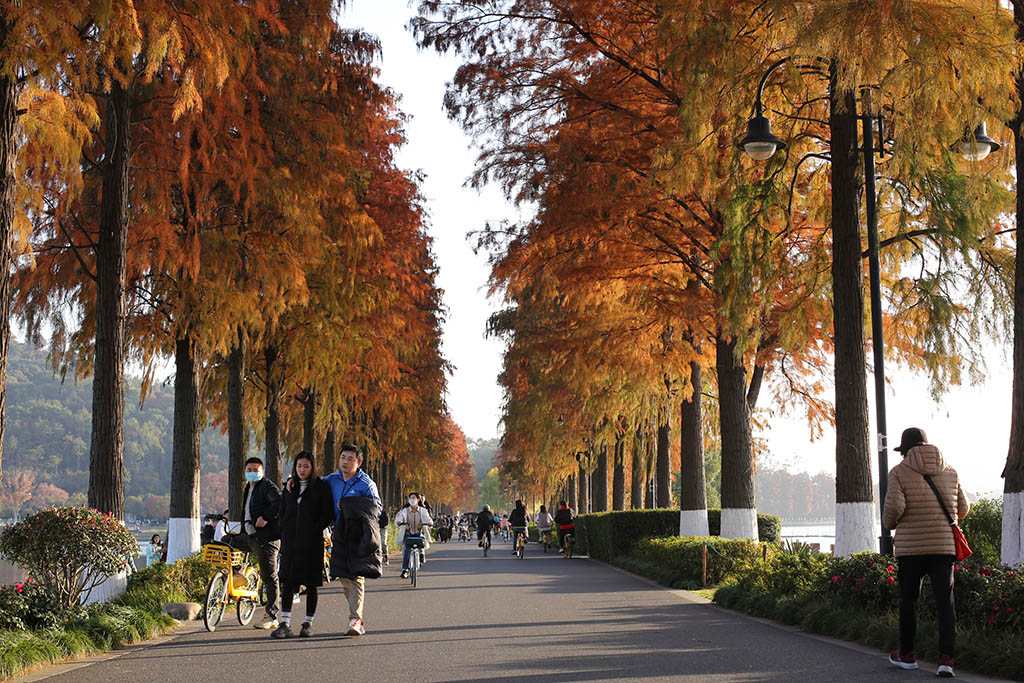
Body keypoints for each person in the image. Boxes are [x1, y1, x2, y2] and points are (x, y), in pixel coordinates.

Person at [883, 427, 969, 678]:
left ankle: (908, 655)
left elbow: (894, 507)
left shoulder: (899, 472)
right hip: (943, 548)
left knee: (909, 601)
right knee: (945, 601)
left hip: (911, 549)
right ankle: (946, 659)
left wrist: (891, 525)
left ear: (906, 450)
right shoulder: (950, 471)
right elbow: (962, 507)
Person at [272, 451, 335, 639]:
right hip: (290, 543)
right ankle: (285, 623)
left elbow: (327, 513)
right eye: (299, 466)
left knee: (311, 583)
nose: (302, 469)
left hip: (312, 544)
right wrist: (284, 528)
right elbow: (282, 511)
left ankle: (308, 623)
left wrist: (314, 529)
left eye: (306, 466)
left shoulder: (321, 487)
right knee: (288, 583)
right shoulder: (290, 488)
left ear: (312, 467)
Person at [322, 444, 382, 637]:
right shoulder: (332, 480)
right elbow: (314, 491)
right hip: (338, 534)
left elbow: (376, 509)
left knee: (356, 576)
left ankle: (354, 620)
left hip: (358, 535)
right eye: (343, 457)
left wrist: (351, 507)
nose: (345, 462)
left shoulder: (366, 484)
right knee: (343, 576)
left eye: (350, 459)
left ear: (359, 462)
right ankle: (357, 616)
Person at [230, 457, 282, 630]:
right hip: (250, 536)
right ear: (245, 472)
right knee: (227, 542)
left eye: (256, 469)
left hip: (267, 539)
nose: (252, 473)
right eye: (249, 470)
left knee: (269, 577)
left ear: (262, 472)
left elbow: (279, 502)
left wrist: (266, 518)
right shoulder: (249, 487)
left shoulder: (266, 486)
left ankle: (272, 615)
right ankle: (238, 574)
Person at [395, 492, 433, 578]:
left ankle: (421, 554)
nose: (412, 500)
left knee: (421, 545)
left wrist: (429, 522)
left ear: (418, 500)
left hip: (418, 534)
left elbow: (427, 518)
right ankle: (405, 570)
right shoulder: (405, 510)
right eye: (410, 498)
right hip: (408, 534)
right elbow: (400, 517)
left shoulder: (423, 511)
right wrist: (399, 522)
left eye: (414, 498)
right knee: (407, 551)